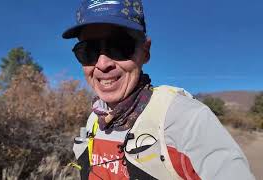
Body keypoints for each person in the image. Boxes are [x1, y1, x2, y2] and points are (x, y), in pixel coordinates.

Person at [62, 0, 255, 179]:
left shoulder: (186, 119)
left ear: (145, 52)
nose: (102, 64)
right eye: (88, 51)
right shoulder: (95, 119)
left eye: (120, 46)